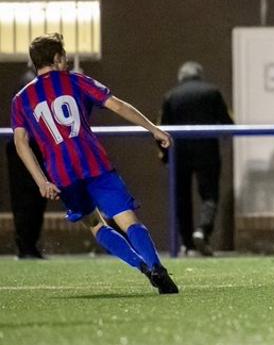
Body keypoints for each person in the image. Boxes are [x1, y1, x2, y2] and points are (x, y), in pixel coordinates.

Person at [11, 33, 178, 294]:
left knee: (96, 225)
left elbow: (21, 143)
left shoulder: (20, 99)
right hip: (94, 163)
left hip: (62, 174)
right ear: (57, 58)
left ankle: (142, 267)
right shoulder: (75, 81)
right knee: (128, 220)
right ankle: (156, 266)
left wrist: (41, 180)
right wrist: (152, 128)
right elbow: (117, 106)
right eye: (63, 56)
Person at [159, 61, 234, 256]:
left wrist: (165, 155)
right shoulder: (212, 92)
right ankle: (202, 230)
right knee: (209, 194)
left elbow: (161, 129)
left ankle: (187, 244)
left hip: (179, 153)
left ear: (181, 77)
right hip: (207, 150)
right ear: (199, 75)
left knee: (181, 198)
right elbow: (227, 123)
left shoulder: (171, 96)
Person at [7, 67, 47, 259]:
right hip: (28, 148)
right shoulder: (32, 86)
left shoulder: (34, 84)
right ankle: (26, 246)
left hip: (34, 147)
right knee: (27, 200)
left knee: (35, 199)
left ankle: (28, 246)